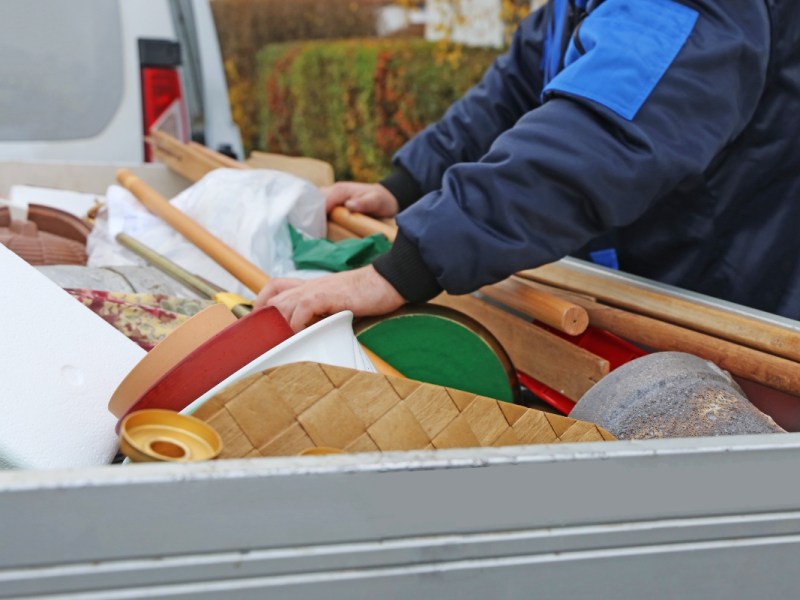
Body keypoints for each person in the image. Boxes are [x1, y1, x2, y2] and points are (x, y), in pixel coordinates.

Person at [256, 0, 800, 331]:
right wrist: (405, 185)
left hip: (734, 311)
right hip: (646, 286)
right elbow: (515, 87)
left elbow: (604, 130)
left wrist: (405, 269)